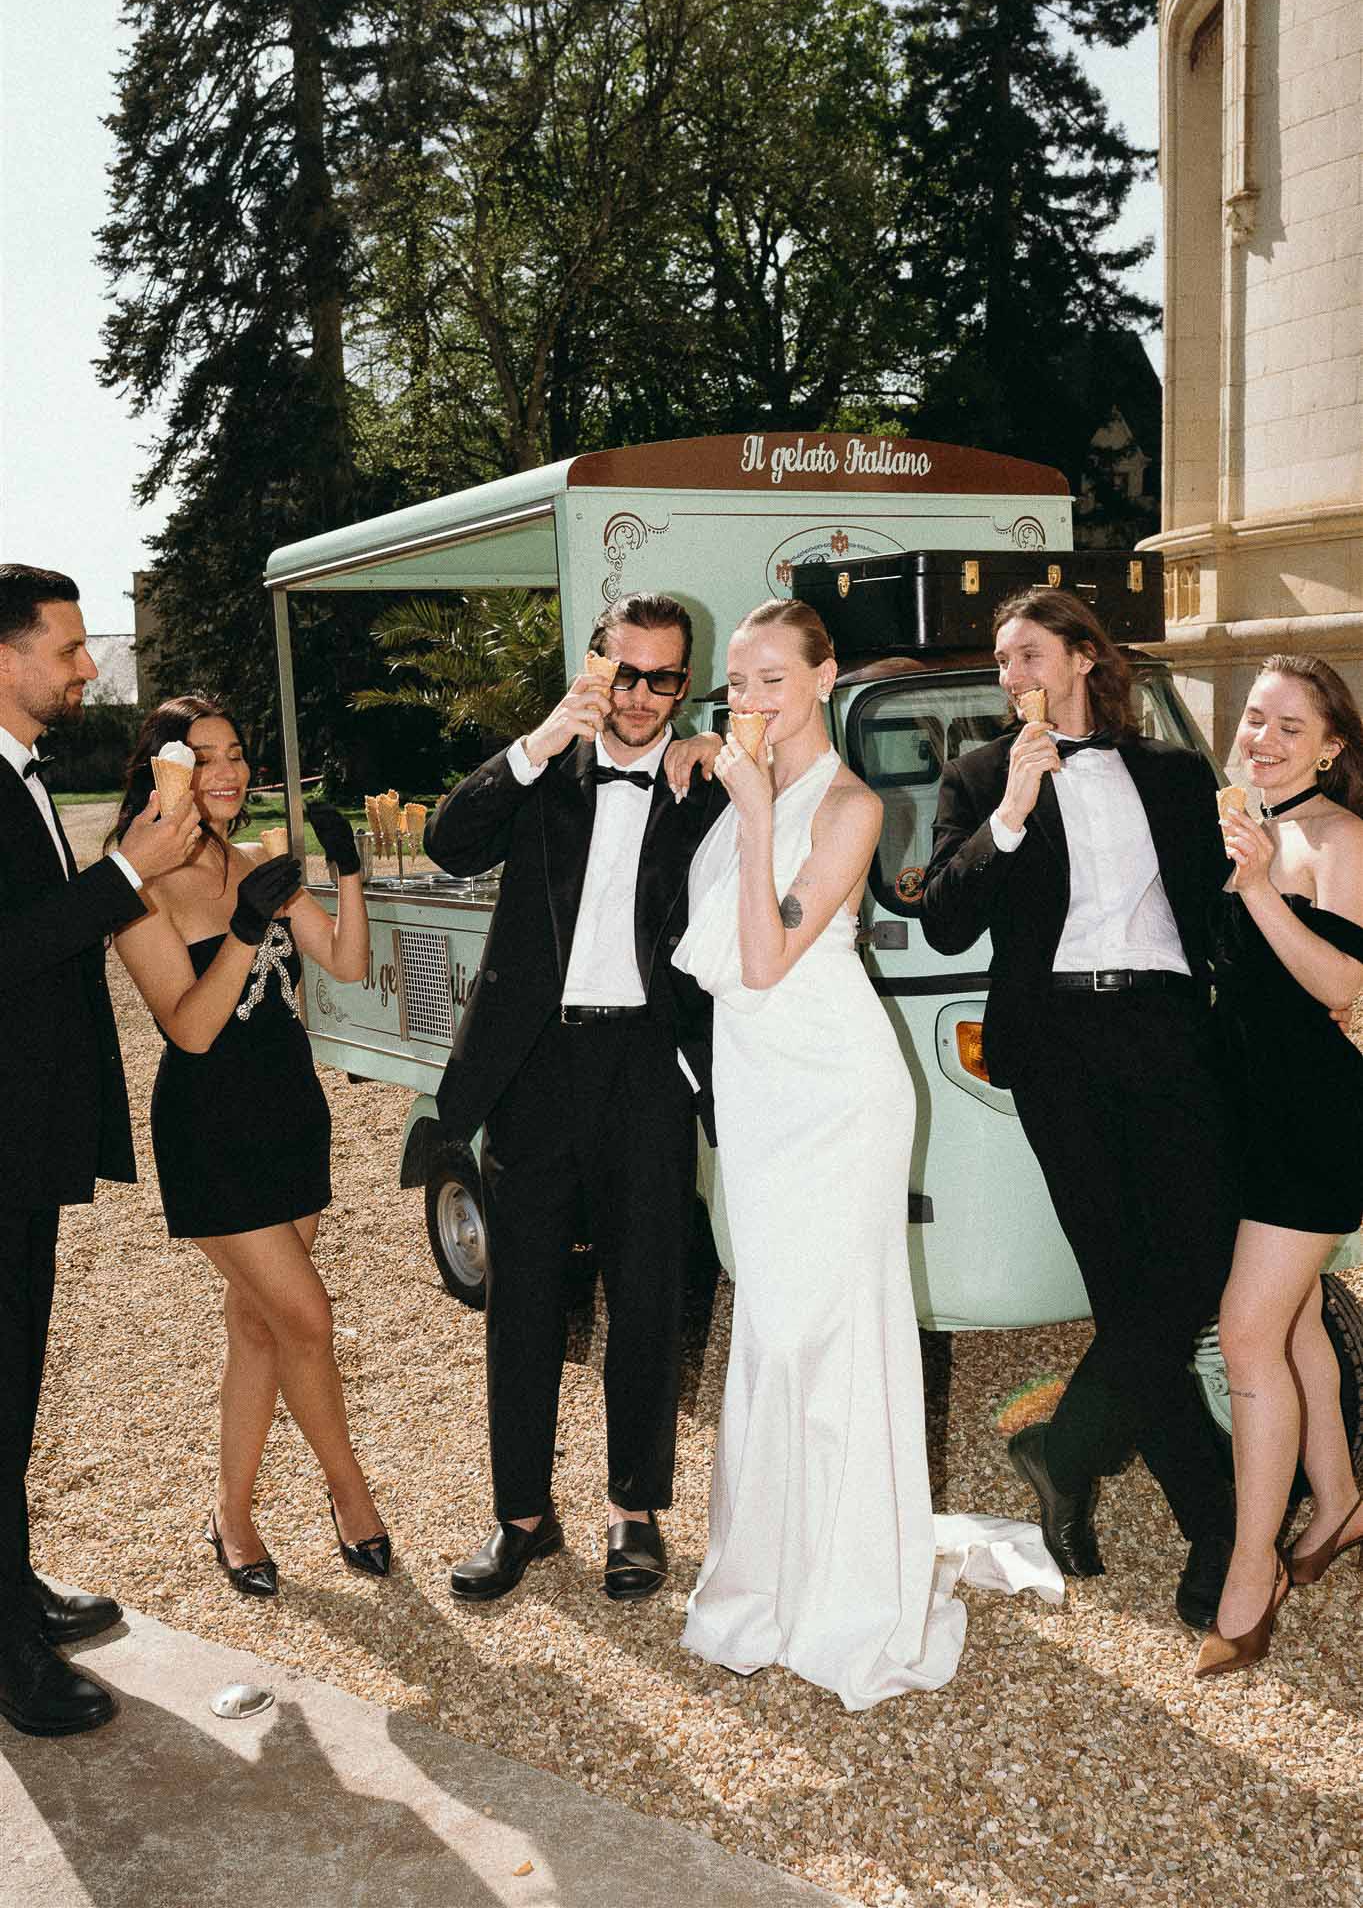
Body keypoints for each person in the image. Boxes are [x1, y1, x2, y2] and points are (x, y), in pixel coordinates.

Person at [672, 600, 1061, 1709]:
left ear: (824, 676)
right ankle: (773, 1571)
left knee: (826, 1333)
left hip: (834, 1094)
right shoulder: (744, 777)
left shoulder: (847, 805)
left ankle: (847, 1591)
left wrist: (751, 820)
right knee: (775, 1331)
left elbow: (761, 955)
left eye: (770, 678)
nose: (749, 698)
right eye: (736, 682)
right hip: (759, 1093)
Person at [919, 587, 1239, 1632]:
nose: (1007, 675)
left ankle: (1061, 1449)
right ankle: (1218, 1528)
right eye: (1001, 663)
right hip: (1058, 1048)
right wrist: (1009, 814)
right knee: (1124, 1283)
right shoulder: (974, 778)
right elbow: (943, 921)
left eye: (1024, 654)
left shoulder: (1178, 775)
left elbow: (1222, 916)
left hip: (1169, 1036)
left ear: (1082, 656)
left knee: (1188, 1271)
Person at [425, 592, 727, 1603]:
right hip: (534, 1069)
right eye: (624, 671)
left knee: (647, 1293)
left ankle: (633, 1512)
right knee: (522, 1301)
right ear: (594, 664)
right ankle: (521, 1516)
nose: (641, 696)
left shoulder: (708, 784)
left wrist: (720, 752)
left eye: (664, 678)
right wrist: (542, 736)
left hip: (645, 1062)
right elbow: (447, 842)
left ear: (686, 683)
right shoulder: (543, 769)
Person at [112, 697, 390, 1595]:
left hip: (290, 1117)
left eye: (235, 754)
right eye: (205, 758)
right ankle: (350, 1497)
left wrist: (344, 870)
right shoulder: (136, 885)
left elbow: (344, 966)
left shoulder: (255, 860)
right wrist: (239, 932)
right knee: (306, 1317)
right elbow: (190, 1030)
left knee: (260, 1328)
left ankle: (230, 1515)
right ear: (166, 771)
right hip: (210, 1133)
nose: (228, 773)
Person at [0, 565, 201, 1737]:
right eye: (70, 648)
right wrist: (129, 875)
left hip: (22, 1137)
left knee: (17, 1379)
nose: (88, 668)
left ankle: (9, 1586)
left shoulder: (23, 771)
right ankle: (13, 1658)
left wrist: (124, 862)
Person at [1195, 655, 1363, 1679]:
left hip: (1317, 1124)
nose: (1261, 735)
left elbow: (1344, 981)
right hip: (1244, 1118)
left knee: (1246, 1330)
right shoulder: (1241, 819)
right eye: (1254, 716)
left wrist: (1260, 886)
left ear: (1330, 747)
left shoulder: (1337, 839)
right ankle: (1339, 1498)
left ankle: (1247, 1573)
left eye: (1288, 726)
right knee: (1292, 1319)